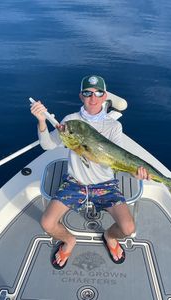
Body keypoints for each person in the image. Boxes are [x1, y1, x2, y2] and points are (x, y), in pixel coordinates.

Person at [31, 75, 150, 269]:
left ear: (105, 97)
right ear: (81, 96)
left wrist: (134, 173)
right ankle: (69, 240)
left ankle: (110, 236)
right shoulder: (71, 121)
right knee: (47, 223)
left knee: (128, 228)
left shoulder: (114, 126)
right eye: (87, 93)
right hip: (74, 182)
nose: (93, 98)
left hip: (105, 185)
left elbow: (119, 159)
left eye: (98, 93)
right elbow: (48, 144)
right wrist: (42, 121)